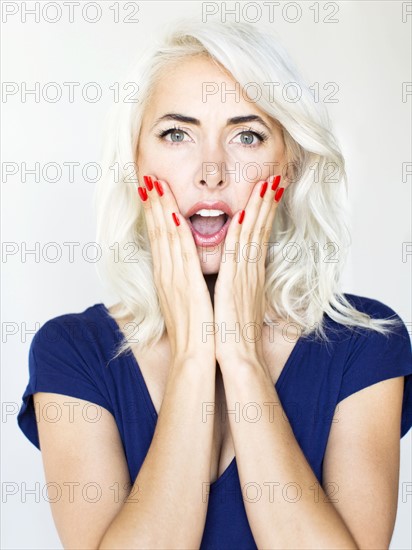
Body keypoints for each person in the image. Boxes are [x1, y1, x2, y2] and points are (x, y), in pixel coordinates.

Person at [17, 18, 412, 549]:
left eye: (246, 135)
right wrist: (193, 356)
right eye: (176, 134)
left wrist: (242, 358)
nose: (211, 171)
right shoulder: (72, 351)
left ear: (289, 166)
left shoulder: (367, 344)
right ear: (137, 165)